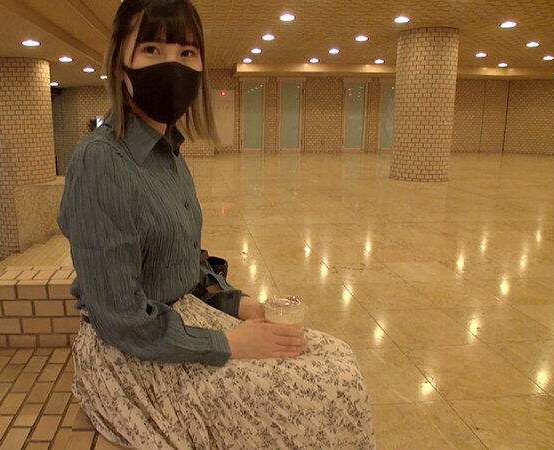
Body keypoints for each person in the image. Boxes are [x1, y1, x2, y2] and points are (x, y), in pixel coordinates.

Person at [57, 0, 375, 448]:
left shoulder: (169, 154)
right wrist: (230, 345)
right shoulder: (101, 160)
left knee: (336, 356)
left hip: (182, 321)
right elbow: (120, 318)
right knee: (326, 386)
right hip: (133, 353)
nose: (172, 66)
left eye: (187, 53)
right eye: (151, 49)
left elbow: (186, 262)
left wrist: (244, 306)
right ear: (119, 64)